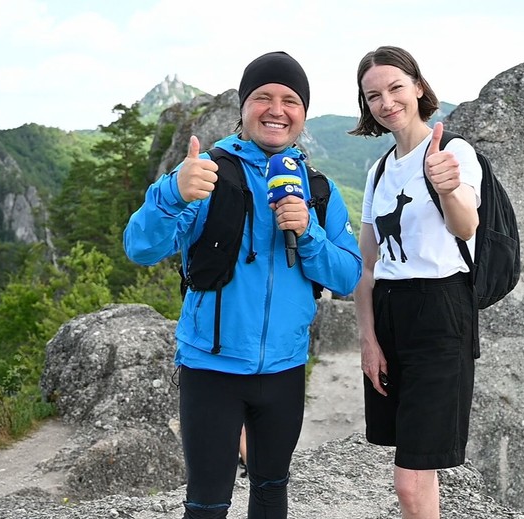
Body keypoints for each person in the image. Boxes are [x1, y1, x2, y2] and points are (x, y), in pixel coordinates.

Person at [124, 50, 362, 519]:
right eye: (262, 97)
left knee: (272, 491)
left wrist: (308, 233)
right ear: (243, 106)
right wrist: (172, 194)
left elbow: (348, 275)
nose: (277, 110)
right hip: (211, 368)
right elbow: (140, 247)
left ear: (303, 113)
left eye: (290, 100)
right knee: (207, 503)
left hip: (285, 369)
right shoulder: (206, 174)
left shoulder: (318, 190)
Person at [349, 45, 482, 519]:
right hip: (390, 311)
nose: (386, 102)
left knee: (410, 478)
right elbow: (367, 264)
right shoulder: (379, 170)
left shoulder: (454, 152)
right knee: (413, 466)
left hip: (439, 312)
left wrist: (448, 188)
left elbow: (466, 226)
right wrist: (368, 340)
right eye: (373, 96)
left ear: (418, 87)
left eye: (395, 88)